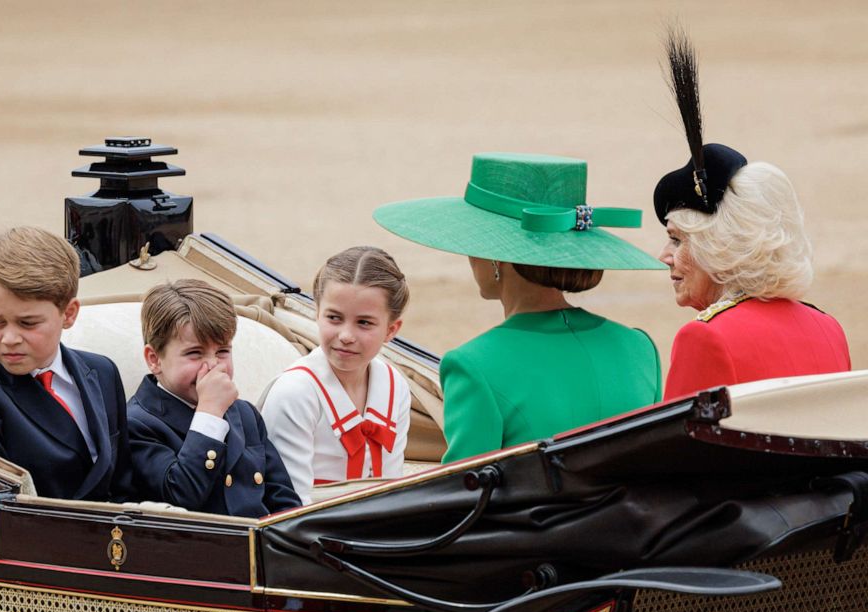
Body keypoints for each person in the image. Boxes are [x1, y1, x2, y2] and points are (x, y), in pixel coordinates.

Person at [373, 152, 666, 463]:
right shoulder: (639, 348)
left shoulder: (473, 366)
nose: (469, 257)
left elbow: (463, 493)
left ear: (497, 258)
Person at [654, 30, 850, 400]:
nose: (664, 256)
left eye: (677, 239)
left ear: (719, 246)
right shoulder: (828, 327)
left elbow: (678, 456)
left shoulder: (706, 336)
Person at [0, 227, 133, 501]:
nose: (9, 338)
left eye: (27, 323)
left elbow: (125, 481)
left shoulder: (102, 372)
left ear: (69, 314)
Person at [127, 279, 300, 517]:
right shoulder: (136, 424)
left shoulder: (245, 414)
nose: (212, 366)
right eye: (194, 353)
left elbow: (284, 502)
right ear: (154, 359)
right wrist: (209, 412)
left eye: (222, 352)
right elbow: (181, 495)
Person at [260, 247, 411, 505]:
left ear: (391, 329)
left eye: (364, 322)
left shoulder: (395, 385)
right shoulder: (294, 393)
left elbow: (392, 489)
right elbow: (289, 504)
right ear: (316, 313)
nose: (346, 335)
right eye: (334, 318)